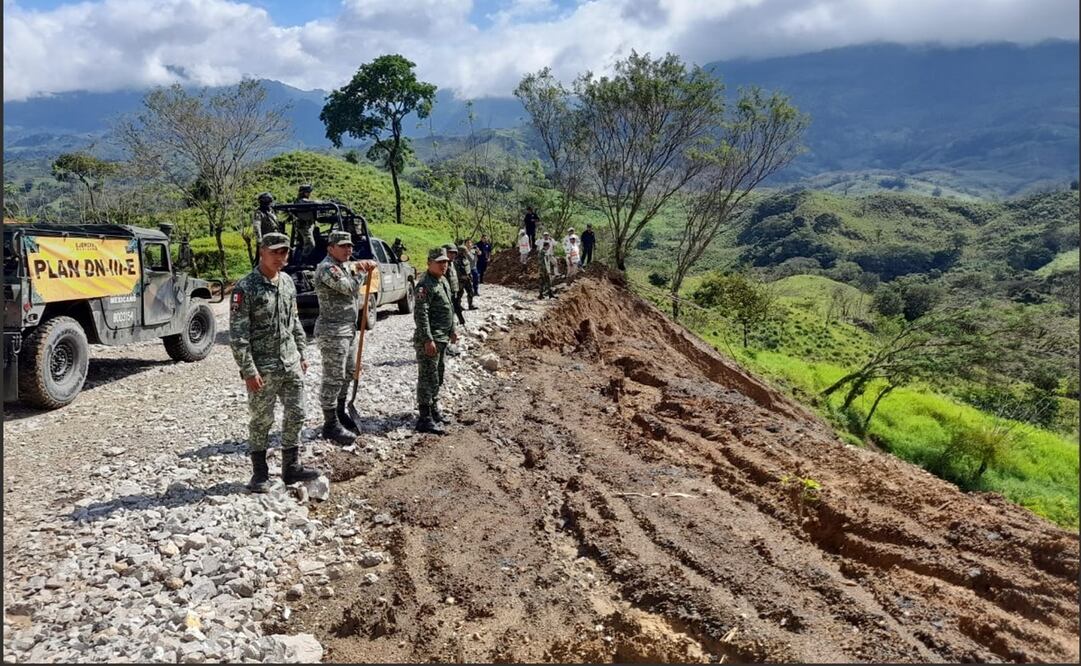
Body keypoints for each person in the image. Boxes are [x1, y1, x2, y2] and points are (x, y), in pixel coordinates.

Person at [229, 232, 321, 493]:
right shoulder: (246, 287)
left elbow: (294, 322)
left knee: (297, 413)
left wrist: (302, 354)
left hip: (290, 362)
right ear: (262, 251)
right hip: (263, 368)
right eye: (275, 252)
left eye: (285, 252)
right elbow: (238, 335)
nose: (281, 257)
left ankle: (292, 467)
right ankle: (259, 474)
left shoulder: (288, 282)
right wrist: (248, 369)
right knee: (261, 420)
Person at [313, 230, 378, 446]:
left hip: (347, 329)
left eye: (350, 246)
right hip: (332, 331)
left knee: (349, 372)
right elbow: (350, 288)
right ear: (330, 248)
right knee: (333, 376)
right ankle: (329, 423)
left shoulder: (342, 267)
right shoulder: (327, 268)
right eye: (343, 246)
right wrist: (361, 270)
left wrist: (358, 267)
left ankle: (340, 412)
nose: (348, 249)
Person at [414, 247, 458, 434]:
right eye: (439, 262)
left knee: (438, 375)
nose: (444, 265)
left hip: (442, 338)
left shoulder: (443, 281)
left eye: (446, 262)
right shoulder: (425, 284)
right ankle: (424, 418)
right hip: (431, 339)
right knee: (427, 377)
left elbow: (450, 307)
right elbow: (420, 314)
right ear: (429, 263)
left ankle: (434, 409)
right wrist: (427, 339)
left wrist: (452, 330)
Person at [293, 184, 318, 261]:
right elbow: (313, 203)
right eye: (308, 192)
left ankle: (307, 259)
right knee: (310, 244)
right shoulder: (300, 201)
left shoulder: (303, 201)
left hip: (309, 225)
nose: (309, 194)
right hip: (304, 226)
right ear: (303, 193)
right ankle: (303, 260)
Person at [442, 243, 465, 327]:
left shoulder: (453, 264)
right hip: (445, 295)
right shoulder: (443, 266)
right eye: (450, 253)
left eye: (454, 253)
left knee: (455, 309)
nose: (453, 255)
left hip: (453, 293)